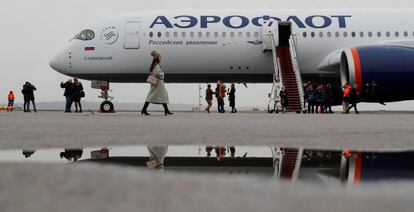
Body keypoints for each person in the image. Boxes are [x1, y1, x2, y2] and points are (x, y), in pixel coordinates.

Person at [141, 51, 173, 116]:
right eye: (160, 57)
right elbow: (157, 73)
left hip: (156, 83)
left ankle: (166, 110)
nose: (160, 58)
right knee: (155, 96)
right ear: (157, 58)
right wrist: (163, 74)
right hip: (158, 83)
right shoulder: (156, 65)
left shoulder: (154, 64)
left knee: (158, 96)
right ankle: (144, 109)